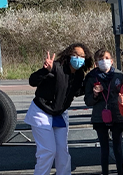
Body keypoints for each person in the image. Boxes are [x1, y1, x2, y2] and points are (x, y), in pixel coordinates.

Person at [25, 43, 93, 175]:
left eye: (81, 56)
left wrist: (92, 88)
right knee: (48, 151)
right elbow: (33, 81)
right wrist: (46, 70)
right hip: (42, 112)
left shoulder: (79, 74)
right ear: (68, 55)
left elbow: (76, 91)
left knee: (62, 152)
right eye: (75, 55)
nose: (78, 58)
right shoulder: (56, 67)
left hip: (60, 114)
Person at [84, 49, 123, 175]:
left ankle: (120, 172)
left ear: (112, 61)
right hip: (100, 116)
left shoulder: (119, 75)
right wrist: (95, 94)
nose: (104, 61)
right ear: (96, 63)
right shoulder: (91, 77)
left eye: (107, 58)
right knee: (104, 149)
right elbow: (88, 101)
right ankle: (105, 173)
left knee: (118, 148)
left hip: (117, 115)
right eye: (100, 59)